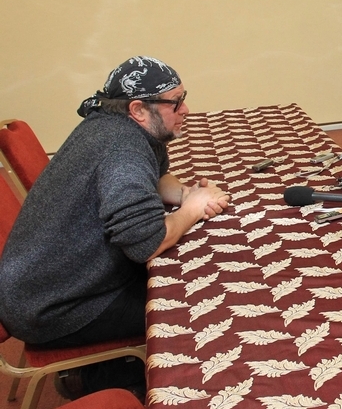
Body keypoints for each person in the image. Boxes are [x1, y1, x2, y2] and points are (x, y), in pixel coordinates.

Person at [0, 56, 231, 399]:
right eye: (175, 102)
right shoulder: (122, 149)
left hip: (48, 286)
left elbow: (154, 176)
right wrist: (192, 210)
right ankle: (102, 381)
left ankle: (101, 373)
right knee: (200, 309)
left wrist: (185, 194)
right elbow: (146, 243)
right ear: (138, 109)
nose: (185, 110)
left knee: (189, 280)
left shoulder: (116, 123)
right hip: (53, 309)